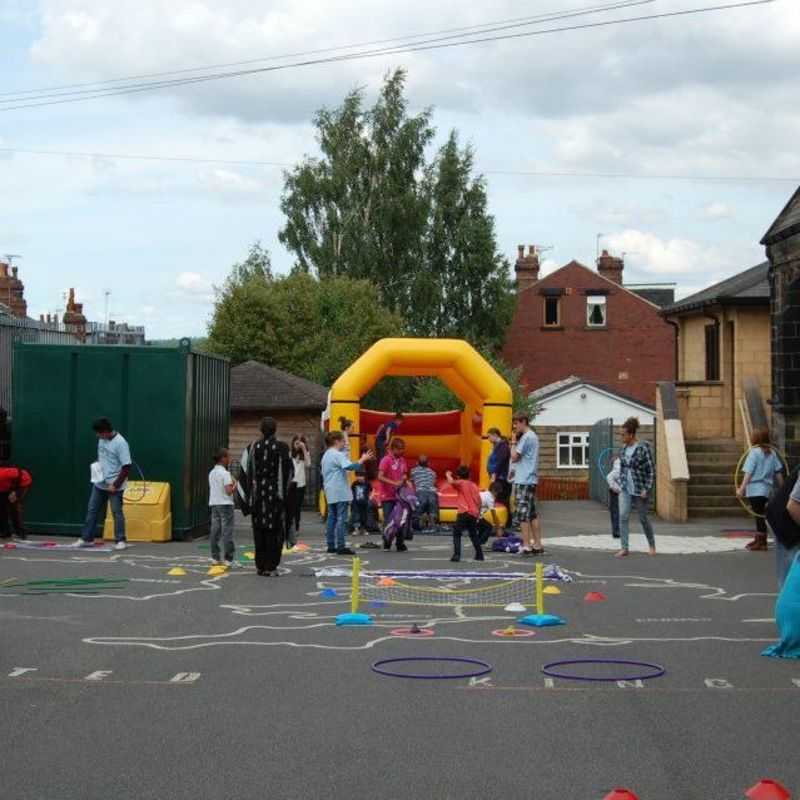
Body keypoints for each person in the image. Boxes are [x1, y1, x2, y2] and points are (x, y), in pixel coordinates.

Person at [238, 417, 292, 576]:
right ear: (275, 429)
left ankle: (260, 566)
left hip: (258, 497)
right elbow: (289, 473)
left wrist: (247, 500)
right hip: (275, 497)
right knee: (274, 531)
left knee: (259, 531)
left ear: (261, 430)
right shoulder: (282, 448)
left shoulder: (252, 448)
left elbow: (244, 473)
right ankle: (271, 566)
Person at [76, 418, 132, 551]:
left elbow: (126, 466)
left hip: (114, 485)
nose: (97, 436)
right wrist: (97, 468)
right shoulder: (102, 439)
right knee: (92, 510)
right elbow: (102, 457)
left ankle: (120, 540)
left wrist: (116, 485)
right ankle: (87, 538)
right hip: (99, 483)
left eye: (99, 433)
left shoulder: (121, 443)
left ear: (106, 432)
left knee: (116, 512)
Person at [322, 431, 373, 555]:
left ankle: (330, 544)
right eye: (342, 441)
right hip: (340, 490)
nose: (344, 443)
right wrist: (362, 459)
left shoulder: (326, 455)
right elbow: (350, 467)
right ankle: (341, 545)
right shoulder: (337, 455)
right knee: (341, 518)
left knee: (332, 517)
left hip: (329, 489)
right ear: (336, 441)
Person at [737, 428, 784, 552]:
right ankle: (759, 538)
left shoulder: (754, 453)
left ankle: (762, 542)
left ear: (756, 439)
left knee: (759, 516)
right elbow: (778, 472)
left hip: (754, 489)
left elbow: (748, 473)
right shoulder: (772, 453)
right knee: (760, 515)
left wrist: (741, 489)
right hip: (765, 490)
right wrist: (783, 488)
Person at [616, 417, 656, 557]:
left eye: (623, 434)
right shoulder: (623, 449)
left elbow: (651, 470)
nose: (621, 437)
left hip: (640, 490)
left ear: (631, 435)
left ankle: (651, 545)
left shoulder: (642, 448)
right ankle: (624, 548)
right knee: (623, 516)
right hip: (626, 489)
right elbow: (622, 468)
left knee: (643, 518)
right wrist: (620, 483)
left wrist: (647, 488)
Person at [509, 414, 542, 555]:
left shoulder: (526, 437)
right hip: (531, 479)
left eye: (516, 423)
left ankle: (527, 545)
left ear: (523, 422)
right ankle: (538, 544)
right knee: (532, 514)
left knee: (523, 515)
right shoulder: (533, 436)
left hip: (524, 480)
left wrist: (513, 441)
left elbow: (514, 457)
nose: (515, 427)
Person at [445, 466, 484, 562]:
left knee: (457, 533)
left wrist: (448, 474)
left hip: (464, 511)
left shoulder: (461, 483)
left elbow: (451, 482)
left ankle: (457, 554)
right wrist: (478, 512)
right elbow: (479, 501)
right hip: (473, 512)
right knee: (473, 534)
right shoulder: (474, 485)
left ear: (458, 476)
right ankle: (479, 554)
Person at [378, 437, 409, 551]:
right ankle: (387, 542)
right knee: (389, 520)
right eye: (400, 449)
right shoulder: (386, 460)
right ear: (394, 448)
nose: (402, 451)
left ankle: (400, 543)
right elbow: (380, 476)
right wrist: (393, 482)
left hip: (399, 495)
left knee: (401, 520)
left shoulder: (402, 460)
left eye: (403, 449)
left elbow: (404, 473)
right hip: (387, 495)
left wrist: (405, 480)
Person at [208, 447, 237, 567]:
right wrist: (236, 484)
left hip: (214, 503)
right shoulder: (225, 473)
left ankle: (215, 557)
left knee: (215, 530)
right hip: (225, 504)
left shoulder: (211, 473)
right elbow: (229, 491)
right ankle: (228, 559)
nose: (229, 459)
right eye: (228, 456)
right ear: (223, 458)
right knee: (227, 532)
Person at [286, 435, 311, 546]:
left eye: (300, 443)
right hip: (291, 484)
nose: (297, 445)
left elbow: (308, 464)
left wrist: (304, 449)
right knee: (289, 507)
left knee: (297, 507)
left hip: (300, 484)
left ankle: (296, 528)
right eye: (296, 443)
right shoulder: (289, 454)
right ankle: (289, 527)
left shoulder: (304, 454)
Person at [487, 428, 512, 536]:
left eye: (489, 436)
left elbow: (500, 461)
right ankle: (502, 523)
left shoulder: (502, 446)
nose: (488, 439)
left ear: (495, 435)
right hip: (499, 477)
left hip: (502, 478)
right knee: (500, 499)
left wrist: (494, 473)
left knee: (502, 500)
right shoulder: (497, 446)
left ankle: (504, 524)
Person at [0, 463, 32, 540]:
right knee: (1, 508)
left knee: (14, 508)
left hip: (22, 483)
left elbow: (22, 475)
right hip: (5, 487)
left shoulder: (3, 474)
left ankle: (20, 532)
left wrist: (16, 492)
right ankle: (5, 532)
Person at [411, 455, 439, 531]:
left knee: (419, 510)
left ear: (417, 463)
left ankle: (418, 526)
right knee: (432, 510)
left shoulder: (414, 471)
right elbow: (435, 484)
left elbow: (412, 481)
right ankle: (433, 527)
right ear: (428, 463)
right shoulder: (432, 472)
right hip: (432, 492)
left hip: (421, 491)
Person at [476, 481, 504, 545]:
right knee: (489, 527)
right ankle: (481, 542)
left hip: (475, 513)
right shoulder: (490, 498)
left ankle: (478, 540)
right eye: (497, 493)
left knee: (483, 525)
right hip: (475, 515)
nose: (497, 495)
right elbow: (493, 514)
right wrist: (498, 528)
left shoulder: (484, 493)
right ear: (494, 491)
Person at [350, 468, 370, 535]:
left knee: (364, 516)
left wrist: (370, 498)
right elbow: (352, 492)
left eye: (361, 476)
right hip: (356, 503)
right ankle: (356, 529)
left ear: (364, 476)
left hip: (364, 503)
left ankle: (363, 529)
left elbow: (371, 491)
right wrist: (351, 500)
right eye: (358, 476)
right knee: (356, 516)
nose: (359, 478)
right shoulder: (354, 484)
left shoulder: (367, 484)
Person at [606, 457, 622, 539]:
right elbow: (609, 477)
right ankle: (616, 531)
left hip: (617, 491)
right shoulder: (619, 467)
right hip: (615, 492)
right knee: (616, 511)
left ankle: (617, 531)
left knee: (616, 512)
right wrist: (615, 488)